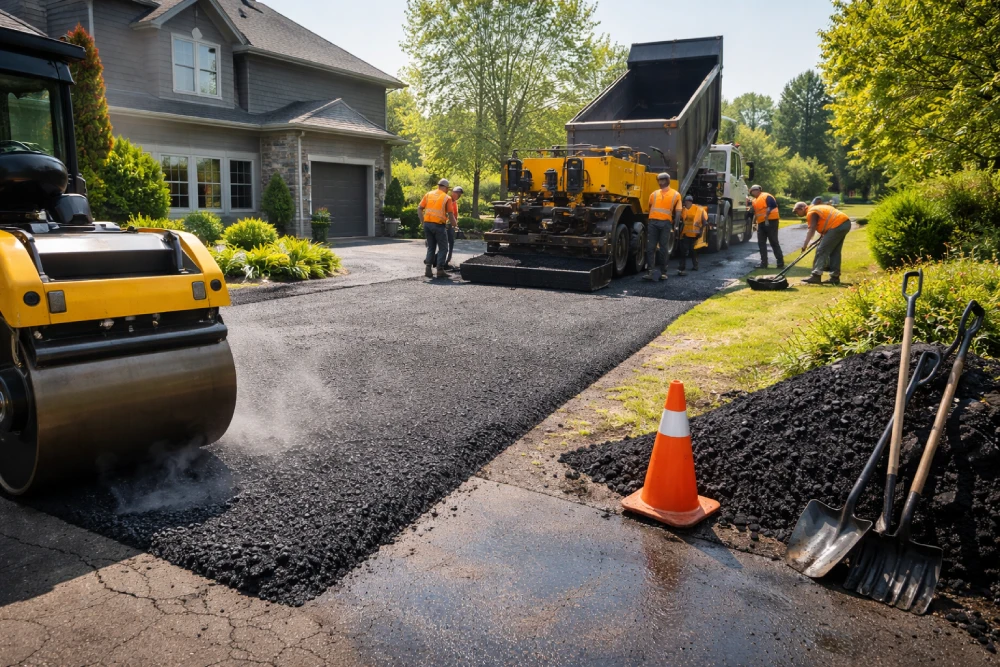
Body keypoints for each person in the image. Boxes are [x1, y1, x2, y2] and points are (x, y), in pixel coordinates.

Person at [793, 201, 851, 285]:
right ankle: (834, 277)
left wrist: (805, 244)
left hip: (837, 225)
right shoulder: (817, 208)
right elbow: (825, 223)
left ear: (802, 208)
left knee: (821, 250)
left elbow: (812, 229)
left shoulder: (811, 212)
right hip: (845, 223)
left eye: (796, 211)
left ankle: (816, 275)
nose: (796, 214)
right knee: (834, 252)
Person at [644, 172, 682, 281]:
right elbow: (650, 207)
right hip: (653, 223)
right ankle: (650, 272)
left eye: (662, 180)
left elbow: (678, 211)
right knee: (650, 248)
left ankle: (663, 272)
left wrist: (675, 226)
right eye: (659, 180)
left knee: (663, 248)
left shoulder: (676, 195)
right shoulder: (654, 194)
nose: (660, 183)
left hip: (665, 224)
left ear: (667, 181)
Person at [418, 178, 456, 278]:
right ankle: (440, 270)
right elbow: (451, 215)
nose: (448, 190)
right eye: (448, 188)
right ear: (445, 187)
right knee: (443, 248)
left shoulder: (428, 194)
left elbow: (419, 208)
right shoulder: (446, 198)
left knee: (431, 247)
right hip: (439, 226)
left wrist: (422, 221)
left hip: (427, 224)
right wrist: (455, 225)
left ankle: (428, 270)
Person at [749, 184, 784, 269]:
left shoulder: (766, 196)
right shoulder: (754, 201)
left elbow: (772, 205)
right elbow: (753, 212)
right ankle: (764, 263)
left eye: (753, 191)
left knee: (773, 241)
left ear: (758, 190)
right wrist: (754, 223)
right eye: (752, 192)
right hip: (761, 223)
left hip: (771, 221)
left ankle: (780, 263)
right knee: (761, 243)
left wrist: (767, 215)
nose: (753, 193)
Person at [677, 195, 707, 275]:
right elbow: (681, 219)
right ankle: (682, 267)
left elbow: (704, 222)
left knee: (693, 251)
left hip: (695, 235)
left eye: (686, 201)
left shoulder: (698, 209)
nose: (685, 203)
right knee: (683, 251)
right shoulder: (683, 210)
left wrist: (700, 230)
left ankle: (695, 266)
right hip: (685, 234)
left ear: (690, 201)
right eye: (685, 202)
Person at [444, 185, 463, 270]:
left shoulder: (455, 203)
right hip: (443, 224)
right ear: (452, 192)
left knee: (451, 243)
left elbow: (455, 215)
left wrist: (456, 225)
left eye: (459, 194)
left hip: (450, 226)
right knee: (443, 244)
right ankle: (439, 261)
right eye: (456, 193)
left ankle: (447, 261)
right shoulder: (447, 199)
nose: (458, 195)